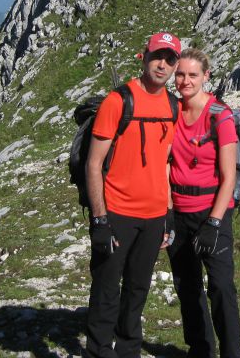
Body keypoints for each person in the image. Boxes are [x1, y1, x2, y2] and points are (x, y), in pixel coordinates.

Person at [84, 31, 182, 358]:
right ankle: (98, 352)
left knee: (138, 292)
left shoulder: (172, 105)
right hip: (117, 214)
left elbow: (166, 162)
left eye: (170, 60)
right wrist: (100, 220)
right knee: (106, 291)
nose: (162, 65)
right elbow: (94, 163)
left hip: (154, 218)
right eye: (158, 56)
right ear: (145, 56)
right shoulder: (118, 101)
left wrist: (168, 214)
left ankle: (128, 351)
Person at [168, 48, 240, 358]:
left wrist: (213, 223)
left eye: (192, 75)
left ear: (206, 76)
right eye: (181, 74)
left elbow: (229, 177)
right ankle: (200, 350)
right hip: (177, 213)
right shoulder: (171, 112)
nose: (185, 81)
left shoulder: (220, 116)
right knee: (187, 287)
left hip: (211, 213)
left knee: (221, 288)